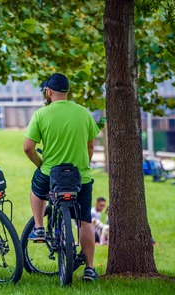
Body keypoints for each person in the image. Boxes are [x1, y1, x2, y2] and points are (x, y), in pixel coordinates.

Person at [23, 73, 101, 282]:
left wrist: (41, 165)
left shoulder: (41, 114)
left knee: (36, 187)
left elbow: (28, 148)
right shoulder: (84, 113)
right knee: (85, 220)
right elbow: (91, 146)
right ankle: (90, 268)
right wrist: (83, 163)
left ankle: (39, 228)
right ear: (67, 92)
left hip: (52, 174)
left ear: (48, 92)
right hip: (80, 177)